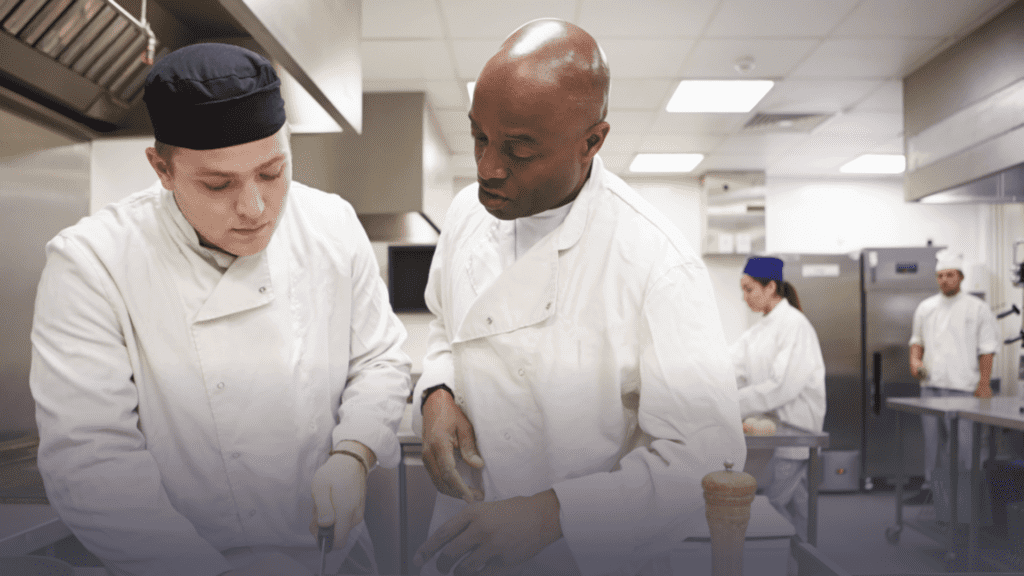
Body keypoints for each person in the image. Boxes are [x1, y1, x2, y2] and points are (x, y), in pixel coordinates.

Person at [29, 43, 412, 576]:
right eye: (218, 184)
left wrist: (354, 453)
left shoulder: (330, 224)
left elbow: (380, 360)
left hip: (331, 557)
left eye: (272, 173)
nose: (255, 209)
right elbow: (91, 459)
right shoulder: (94, 261)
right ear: (161, 169)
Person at [410, 19, 745, 576]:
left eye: (518, 149)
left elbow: (706, 458)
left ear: (592, 142)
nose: (487, 168)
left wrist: (551, 515)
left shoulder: (658, 263)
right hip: (464, 541)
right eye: (478, 137)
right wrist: (437, 393)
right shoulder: (470, 212)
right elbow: (446, 326)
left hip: (582, 554)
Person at [730, 257, 826, 541]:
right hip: (777, 429)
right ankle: (802, 557)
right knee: (796, 499)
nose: (744, 296)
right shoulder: (760, 330)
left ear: (771, 286)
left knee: (774, 503)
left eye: (749, 289)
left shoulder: (794, 325)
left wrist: (731, 404)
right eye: (742, 289)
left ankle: (789, 556)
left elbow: (780, 386)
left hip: (796, 426)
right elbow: (731, 365)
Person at [909, 252, 998, 524]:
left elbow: (987, 350)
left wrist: (984, 383)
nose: (944, 280)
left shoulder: (977, 309)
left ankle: (966, 511)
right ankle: (940, 507)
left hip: (964, 391)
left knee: (965, 452)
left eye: (950, 275)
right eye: (940, 276)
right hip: (931, 389)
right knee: (933, 450)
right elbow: (917, 340)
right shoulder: (926, 308)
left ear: (960, 277)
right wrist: (914, 359)